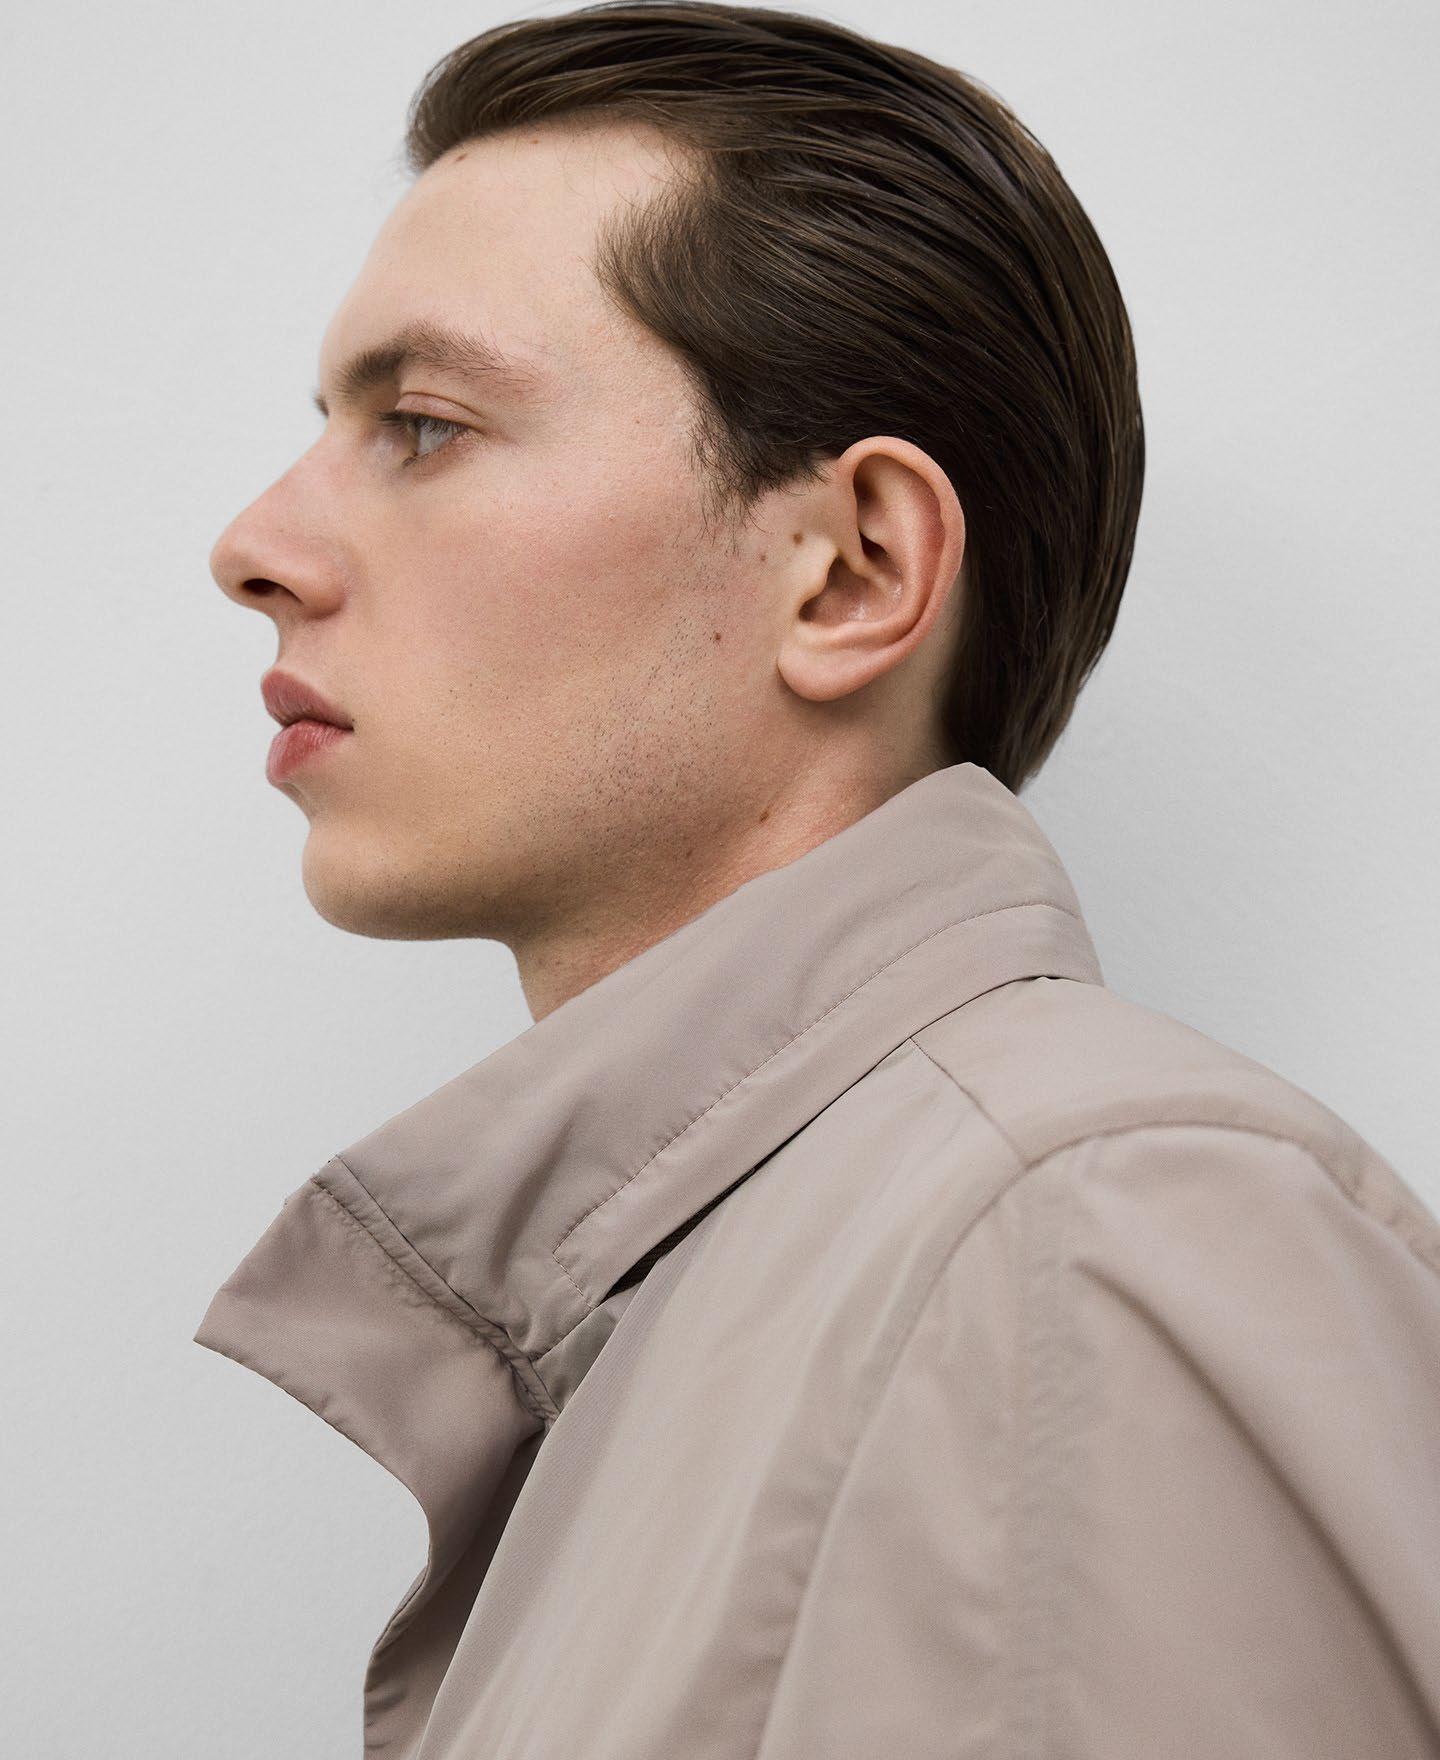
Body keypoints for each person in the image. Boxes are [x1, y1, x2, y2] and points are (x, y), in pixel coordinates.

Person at [196, 5, 1440, 1756]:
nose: (254, 547)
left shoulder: (1085, 1238)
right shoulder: (777, 1293)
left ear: (853, 571)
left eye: (422, 424)